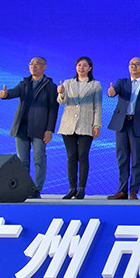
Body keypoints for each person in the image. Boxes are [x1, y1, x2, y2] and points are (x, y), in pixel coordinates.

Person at [0, 56, 59, 198]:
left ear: (44, 67)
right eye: (31, 64)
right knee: (22, 161)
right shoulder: (24, 83)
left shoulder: (50, 86)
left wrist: (49, 130)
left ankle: (36, 189)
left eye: (37, 64)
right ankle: (24, 189)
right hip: (21, 128)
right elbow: (13, 92)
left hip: (40, 128)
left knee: (39, 159)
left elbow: (53, 109)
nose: (33, 66)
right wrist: (5, 94)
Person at [106, 57, 140, 200]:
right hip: (122, 124)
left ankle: (133, 191)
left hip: (139, 125)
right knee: (122, 158)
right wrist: (111, 92)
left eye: (137, 64)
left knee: (136, 160)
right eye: (131, 64)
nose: (134, 66)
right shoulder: (122, 82)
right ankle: (122, 191)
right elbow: (114, 91)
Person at [56, 56, 102, 199]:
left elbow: (98, 106)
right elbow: (62, 102)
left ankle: (81, 188)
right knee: (71, 156)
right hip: (68, 124)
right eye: (79, 65)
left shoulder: (95, 85)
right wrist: (61, 93)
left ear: (90, 68)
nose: (81, 68)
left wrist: (97, 125)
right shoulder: (68, 83)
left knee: (82, 155)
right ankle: (72, 188)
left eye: (84, 65)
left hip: (86, 124)